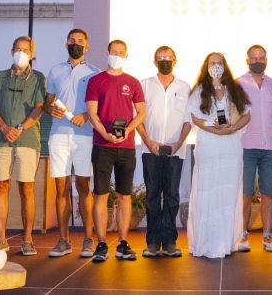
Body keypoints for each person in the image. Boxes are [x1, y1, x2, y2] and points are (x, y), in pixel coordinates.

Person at [85, 39, 146, 263]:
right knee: (100, 195)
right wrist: (104, 133)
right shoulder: (95, 80)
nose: (116, 55)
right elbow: (92, 113)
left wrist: (128, 130)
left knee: (124, 196)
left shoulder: (133, 82)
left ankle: (122, 243)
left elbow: (141, 113)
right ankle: (101, 243)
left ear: (126, 56)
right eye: (113, 52)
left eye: (121, 53)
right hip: (102, 146)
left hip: (126, 148)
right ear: (107, 53)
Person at [186, 52, 252, 258]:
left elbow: (246, 115)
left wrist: (231, 129)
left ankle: (227, 242)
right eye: (212, 63)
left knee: (228, 193)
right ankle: (206, 243)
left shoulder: (235, 89)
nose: (216, 66)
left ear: (225, 66)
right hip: (209, 146)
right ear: (206, 66)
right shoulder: (199, 90)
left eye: (219, 63)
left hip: (231, 147)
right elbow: (195, 118)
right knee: (209, 192)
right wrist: (213, 129)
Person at [0, 37, 45, 255]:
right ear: (11, 51)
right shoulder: (0, 77)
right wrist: (3, 127)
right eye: (17, 49)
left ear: (32, 54)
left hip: (27, 140)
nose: (21, 53)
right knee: (1, 186)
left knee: (26, 188)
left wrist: (20, 127)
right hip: (1, 140)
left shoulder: (38, 78)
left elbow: (39, 108)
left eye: (25, 50)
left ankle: (28, 239)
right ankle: (1, 238)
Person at [44, 28, 99, 258]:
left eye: (80, 41)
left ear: (87, 46)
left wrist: (86, 116)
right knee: (61, 187)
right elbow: (47, 103)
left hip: (84, 135)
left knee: (84, 186)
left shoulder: (95, 72)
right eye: (71, 40)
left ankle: (88, 239)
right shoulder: (55, 70)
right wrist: (51, 110)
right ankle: (64, 240)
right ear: (65, 43)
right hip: (58, 135)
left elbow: (98, 106)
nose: (75, 44)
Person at [136, 46, 191, 258]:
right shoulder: (145, 85)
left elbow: (189, 119)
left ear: (175, 60)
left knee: (172, 196)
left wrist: (178, 144)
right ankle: (152, 242)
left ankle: (169, 242)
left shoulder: (185, 87)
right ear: (154, 61)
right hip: (150, 149)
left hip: (176, 151)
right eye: (160, 58)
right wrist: (148, 142)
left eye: (168, 57)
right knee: (151, 196)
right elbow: (138, 117)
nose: (164, 60)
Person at [237, 45, 272, 253]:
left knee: (268, 194)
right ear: (247, 60)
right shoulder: (238, 84)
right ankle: (243, 235)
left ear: (266, 59)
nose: (257, 60)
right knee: (245, 194)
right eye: (253, 57)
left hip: (271, 147)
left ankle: (267, 236)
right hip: (246, 146)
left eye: (261, 57)